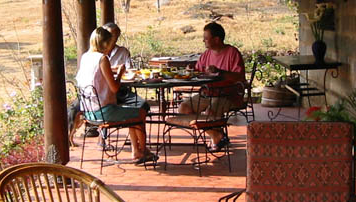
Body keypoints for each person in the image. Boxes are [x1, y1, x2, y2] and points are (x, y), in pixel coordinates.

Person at [76, 27, 158, 165]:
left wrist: (113, 70)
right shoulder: (102, 59)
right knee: (140, 112)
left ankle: (136, 150)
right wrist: (120, 73)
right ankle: (143, 151)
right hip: (103, 111)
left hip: (88, 111)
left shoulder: (85, 57)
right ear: (105, 43)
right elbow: (114, 88)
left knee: (132, 113)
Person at [178, 21, 245, 150]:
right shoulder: (207, 54)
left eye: (206, 38)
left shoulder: (232, 53)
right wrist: (191, 69)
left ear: (216, 39)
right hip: (208, 93)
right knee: (184, 108)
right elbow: (198, 71)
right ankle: (216, 134)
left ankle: (216, 136)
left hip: (228, 94)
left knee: (210, 112)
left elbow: (239, 77)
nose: (203, 41)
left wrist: (220, 72)